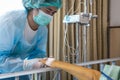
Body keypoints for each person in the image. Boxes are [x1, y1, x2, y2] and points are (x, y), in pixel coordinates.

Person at [0, 0, 62, 80]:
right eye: (48, 10)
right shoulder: (10, 23)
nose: (50, 15)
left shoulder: (42, 30)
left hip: (19, 72)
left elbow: (39, 53)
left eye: (53, 13)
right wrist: (26, 65)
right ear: (34, 6)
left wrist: (42, 61)